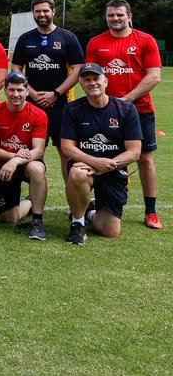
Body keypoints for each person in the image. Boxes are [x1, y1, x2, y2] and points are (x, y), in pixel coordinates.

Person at [84, 0, 162, 229]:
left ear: (130, 16)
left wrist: (126, 100)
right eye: (110, 15)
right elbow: (90, 77)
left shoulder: (145, 40)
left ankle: (151, 211)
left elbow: (154, 76)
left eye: (119, 15)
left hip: (139, 109)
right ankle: (87, 205)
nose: (115, 19)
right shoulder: (96, 43)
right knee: (98, 152)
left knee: (144, 157)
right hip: (102, 111)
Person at [60, 63, 143, 244]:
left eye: (96, 78)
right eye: (86, 79)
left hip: (113, 170)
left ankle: (90, 212)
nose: (92, 83)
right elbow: (67, 148)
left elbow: (134, 152)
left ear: (105, 81)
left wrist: (107, 165)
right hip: (85, 167)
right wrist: (95, 163)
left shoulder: (126, 110)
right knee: (77, 173)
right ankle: (77, 223)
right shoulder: (72, 109)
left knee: (110, 230)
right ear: (80, 83)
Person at [10, 0, 84, 163]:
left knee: (66, 153)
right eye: (37, 11)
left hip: (60, 104)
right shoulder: (25, 38)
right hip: (30, 104)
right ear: (33, 13)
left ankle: (70, 190)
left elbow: (78, 68)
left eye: (45, 11)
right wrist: (32, 93)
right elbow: (16, 69)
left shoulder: (67, 37)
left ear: (53, 11)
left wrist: (56, 93)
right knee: (31, 153)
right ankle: (35, 190)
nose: (41, 15)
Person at [0, 72, 48, 239]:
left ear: (27, 91)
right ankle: (30, 201)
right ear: (5, 91)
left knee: (37, 168)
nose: (16, 94)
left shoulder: (38, 114)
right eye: (11, 90)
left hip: (26, 163)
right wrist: (13, 156)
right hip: (3, 166)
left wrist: (16, 161)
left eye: (20, 90)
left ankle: (37, 221)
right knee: (9, 218)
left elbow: (38, 150)